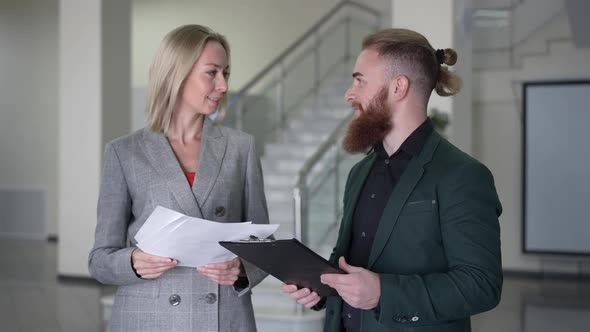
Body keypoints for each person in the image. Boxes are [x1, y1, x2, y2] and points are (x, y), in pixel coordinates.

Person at [282, 28, 502, 332]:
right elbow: (345, 261)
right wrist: (321, 287)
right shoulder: (359, 172)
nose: (350, 93)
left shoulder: (463, 175)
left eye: (359, 80)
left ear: (398, 87)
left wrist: (384, 292)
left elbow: (481, 285)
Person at [88, 24, 269, 332]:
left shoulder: (241, 148)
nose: (223, 85)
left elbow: (263, 242)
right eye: (212, 72)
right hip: (148, 316)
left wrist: (242, 269)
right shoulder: (124, 152)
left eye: (226, 73)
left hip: (223, 315)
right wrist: (133, 261)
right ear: (176, 73)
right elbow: (100, 260)